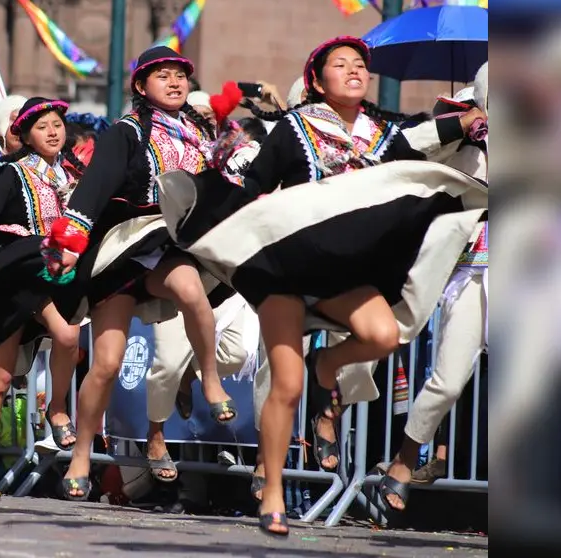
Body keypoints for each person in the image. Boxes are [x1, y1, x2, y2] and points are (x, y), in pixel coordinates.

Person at [153, 36, 488, 536]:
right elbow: (254, 187)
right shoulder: (294, 127)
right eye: (341, 64)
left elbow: (418, 145)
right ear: (317, 79)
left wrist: (465, 123)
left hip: (345, 275)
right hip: (288, 268)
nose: (354, 71)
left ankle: (326, 366)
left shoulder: (382, 132)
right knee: (285, 387)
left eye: (360, 65)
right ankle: (270, 493)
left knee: (383, 334)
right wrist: (217, 198)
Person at [42, 46, 236, 501]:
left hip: (172, 243)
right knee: (106, 364)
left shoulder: (200, 132)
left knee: (191, 290)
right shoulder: (126, 131)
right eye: (162, 75)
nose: (174, 82)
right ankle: (83, 454)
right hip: (125, 246)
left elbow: (219, 182)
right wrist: (69, 243)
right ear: (141, 86)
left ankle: (208, 378)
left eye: (180, 76)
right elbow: (94, 188)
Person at [379, 63, 490, 512]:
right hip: (478, 267)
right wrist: (459, 123)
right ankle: (404, 461)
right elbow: (401, 150)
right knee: (446, 384)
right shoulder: (468, 137)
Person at [0, 97, 86, 499]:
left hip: (55, 276)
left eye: (57, 125)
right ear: (26, 136)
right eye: (42, 126)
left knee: (69, 338)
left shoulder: (72, 176)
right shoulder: (10, 172)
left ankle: (57, 408)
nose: (53, 132)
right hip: (15, 279)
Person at [144, 285, 260, 481]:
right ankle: (155, 435)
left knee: (236, 354)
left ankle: (186, 377)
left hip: (220, 282)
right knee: (169, 366)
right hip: (176, 284)